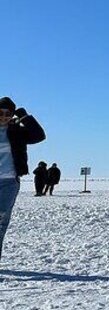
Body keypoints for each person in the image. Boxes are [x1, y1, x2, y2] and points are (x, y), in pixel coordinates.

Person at [0, 97, 46, 262]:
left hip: (9, 182)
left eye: (8, 113)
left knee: (0, 222)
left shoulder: (17, 131)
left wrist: (24, 117)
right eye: (0, 113)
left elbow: (39, 136)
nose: (4, 116)